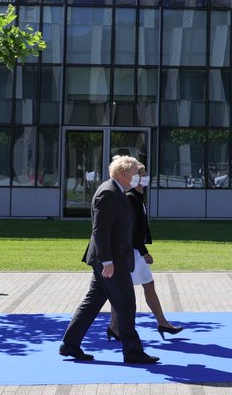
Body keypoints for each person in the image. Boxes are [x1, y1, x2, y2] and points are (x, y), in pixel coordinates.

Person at [59, 155, 158, 364]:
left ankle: (70, 344)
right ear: (123, 174)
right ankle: (133, 351)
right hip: (111, 261)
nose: (137, 178)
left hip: (112, 260)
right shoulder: (109, 192)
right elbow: (100, 231)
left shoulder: (118, 191)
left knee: (92, 303)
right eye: (134, 174)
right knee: (126, 304)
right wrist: (107, 262)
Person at [108, 165, 185, 341]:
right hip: (133, 252)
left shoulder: (138, 197)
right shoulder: (130, 198)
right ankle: (115, 326)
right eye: (140, 175)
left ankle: (162, 323)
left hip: (136, 250)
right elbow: (132, 230)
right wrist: (144, 252)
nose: (144, 178)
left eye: (144, 174)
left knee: (147, 286)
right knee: (124, 289)